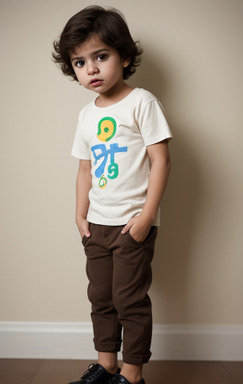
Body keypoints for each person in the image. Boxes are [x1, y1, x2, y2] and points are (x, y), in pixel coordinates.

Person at [53, 5, 172, 384]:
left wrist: (145, 218)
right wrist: (79, 214)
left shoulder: (142, 102)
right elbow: (84, 169)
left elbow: (162, 161)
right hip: (97, 226)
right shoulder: (87, 115)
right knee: (101, 298)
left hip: (130, 224)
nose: (91, 69)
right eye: (79, 62)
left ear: (124, 55)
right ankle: (106, 365)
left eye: (100, 56)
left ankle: (132, 374)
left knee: (129, 300)